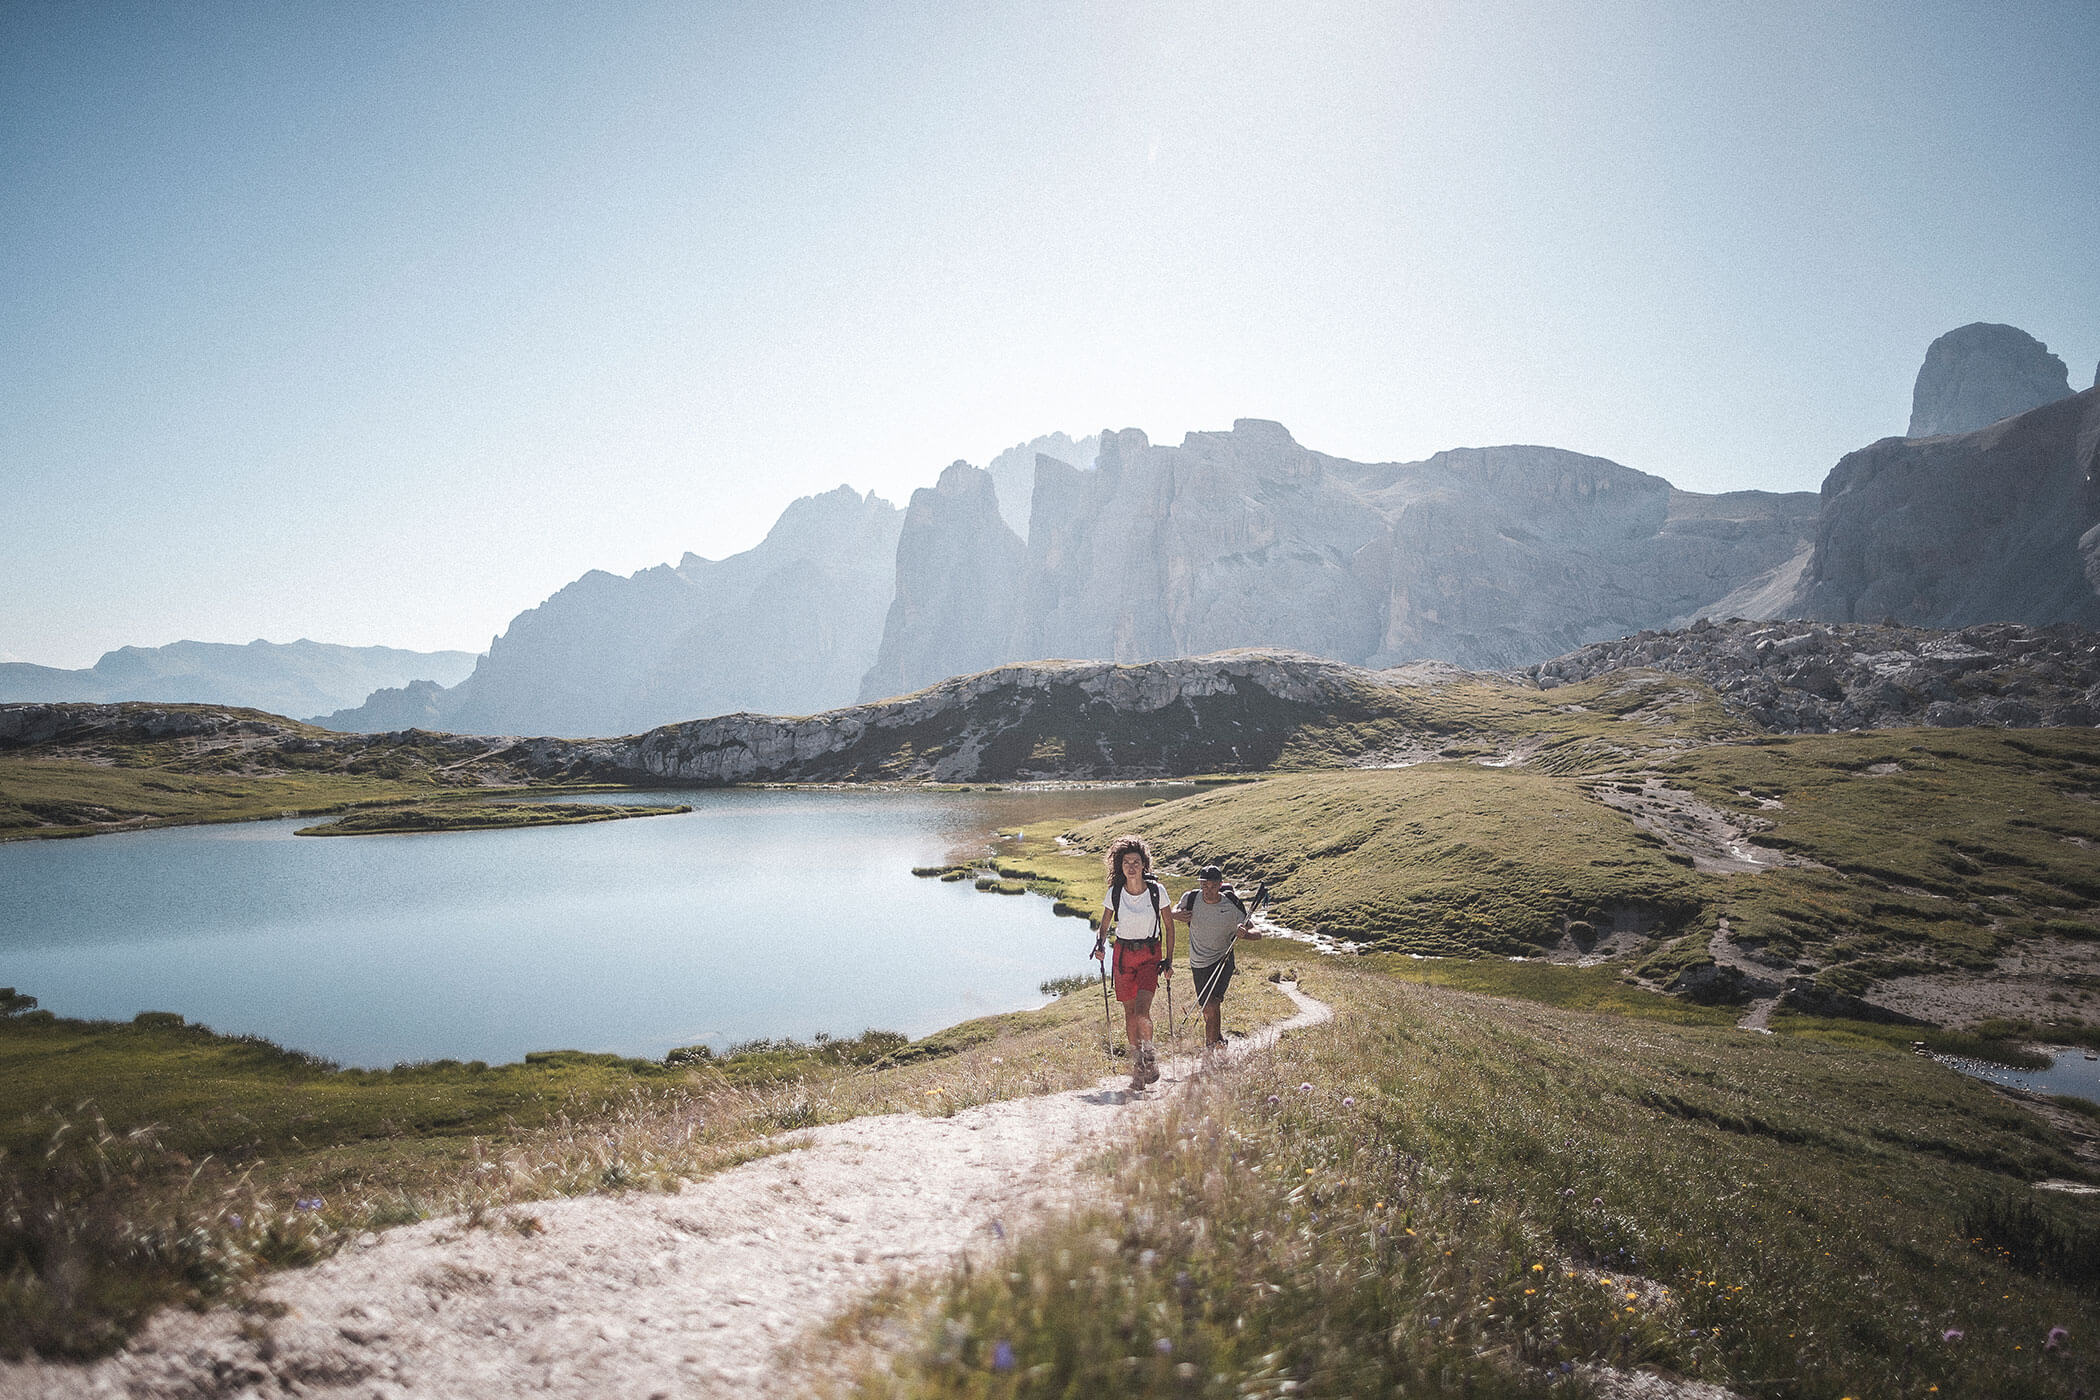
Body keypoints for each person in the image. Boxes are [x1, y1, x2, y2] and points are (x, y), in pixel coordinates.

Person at [1094, 834, 1173, 1089]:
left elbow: (1170, 927)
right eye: (1126, 862)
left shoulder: (1156, 891)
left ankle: (1149, 1056)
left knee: (1142, 1012)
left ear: (1143, 865)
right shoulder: (1115, 892)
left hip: (1150, 956)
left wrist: (1169, 960)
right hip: (1123, 956)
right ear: (1121, 866)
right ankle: (1138, 1069)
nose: (1131, 866)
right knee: (1129, 1015)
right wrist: (1099, 945)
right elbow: (1104, 925)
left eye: (1136, 862)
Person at [1174, 864, 1260, 1050]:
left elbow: (1257, 932)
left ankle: (1210, 1048)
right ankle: (1219, 1039)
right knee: (1207, 1008)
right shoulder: (1191, 898)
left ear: (1220, 885)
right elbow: (1173, 911)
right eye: (1204, 885)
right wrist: (1176, 915)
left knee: (1212, 1004)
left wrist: (1245, 934)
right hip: (1198, 963)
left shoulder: (1231, 904)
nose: (1208, 890)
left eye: (1213, 886)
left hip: (1223, 960)